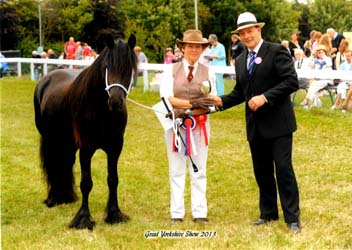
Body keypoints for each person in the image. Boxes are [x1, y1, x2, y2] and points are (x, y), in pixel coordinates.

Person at [211, 12, 301, 233]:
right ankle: (268, 213)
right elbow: (241, 92)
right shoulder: (240, 59)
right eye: (242, 32)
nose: (247, 35)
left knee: (283, 169)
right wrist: (220, 101)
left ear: (258, 30)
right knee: (261, 171)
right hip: (255, 126)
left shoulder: (277, 50)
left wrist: (266, 97)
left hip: (279, 124)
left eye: (250, 31)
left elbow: (291, 81)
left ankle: (292, 218)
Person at [159, 29, 216, 224]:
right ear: (182, 48)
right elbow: (168, 98)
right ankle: (177, 213)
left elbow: (211, 100)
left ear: (202, 49)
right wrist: (192, 105)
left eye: (197, 46)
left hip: (200, 125)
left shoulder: (209, 71)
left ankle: (199, 212)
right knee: (176, 168)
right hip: (176, 126)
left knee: (199, 168)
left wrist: (192, 106)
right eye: (190, 46)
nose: (193, 50)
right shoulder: (170, 70)